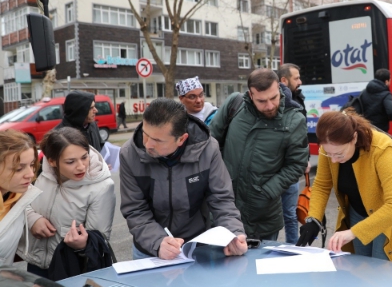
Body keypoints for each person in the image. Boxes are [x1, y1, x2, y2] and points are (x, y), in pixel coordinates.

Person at [296, 109, 392, 268]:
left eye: (339, 154)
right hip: (357, 214)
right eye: (329, 154)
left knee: (383, 276)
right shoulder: (329, 147)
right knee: (361, 273)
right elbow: (322, 185)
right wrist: (313, 219)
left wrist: (353, 232)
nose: (334, 160)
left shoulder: (381, 148)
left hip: (387, 220)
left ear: (354, 138)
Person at [120, 98, 247, 260]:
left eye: (158, 140)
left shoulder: (208, 150)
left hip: (196, 244)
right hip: (149, 248)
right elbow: (135, 210)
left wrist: (233, 234)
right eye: (145, 134)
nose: (148, 145)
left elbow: (221, 199)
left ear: (181, 139)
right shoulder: (129, 154)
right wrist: (158, 242)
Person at [209, 68, 308, 241]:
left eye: (274, 98)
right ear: (251, 94)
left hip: (263, 216)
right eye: (262, 101)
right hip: (224, 209)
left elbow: (297, 164)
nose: (269, 106)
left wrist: (267, 191)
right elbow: (210, 144)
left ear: (279, 88)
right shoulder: (235, 104)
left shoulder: (294, 119)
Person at [17, 127, 115, 279]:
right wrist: (32, 219)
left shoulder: (102, 186)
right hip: (36, 264)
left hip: (71, 266)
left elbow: (100, 239)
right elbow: (21, 199)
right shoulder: (40, 172)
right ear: (52, 162)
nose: (81, 166)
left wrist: (82, 245)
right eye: (71, 162)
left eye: (84, 157)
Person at [277, 63, 311, 245]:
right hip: (276, 169)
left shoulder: (299, 98)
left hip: (291, 169)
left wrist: (304, 160)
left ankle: (293, 248)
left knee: (290, 215)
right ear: (284, 80)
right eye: (296, 78)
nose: (300, 81)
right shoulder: (275, 104)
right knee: (273, 219)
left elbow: (301, 136)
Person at [0, 131, 41, 267]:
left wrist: (32, 218)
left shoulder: (19, 195)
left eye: (32, 164)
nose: (30, 174)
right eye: (18, 169)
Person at [360, 68, 392, 132]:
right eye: (390, 80)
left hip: (367, 128)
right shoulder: (386, 94)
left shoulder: (364, 92)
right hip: (380, 130)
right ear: (386, 82)